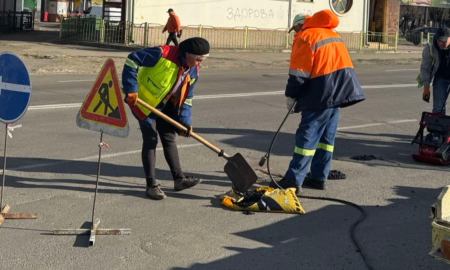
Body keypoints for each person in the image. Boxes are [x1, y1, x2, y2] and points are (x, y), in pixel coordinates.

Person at [270, 10, 365, 195]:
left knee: (307, 135)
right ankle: (319, 177)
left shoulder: (306, 37)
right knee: (325, 139)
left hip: (320, 92)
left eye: (295, 30)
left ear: (299, 25)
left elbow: (299, 73)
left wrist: (291, 96)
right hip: (339, 91)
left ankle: (293, 180)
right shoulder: (331, 34)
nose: (295, 34)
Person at [122, 37, 210, 200]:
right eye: (198, 60)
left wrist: (184, 122)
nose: (199, 64)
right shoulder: (162, 53)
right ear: (188, 53)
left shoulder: (194, 70)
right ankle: (151, 186)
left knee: (169, 138)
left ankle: (179, 180)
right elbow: (132, 60)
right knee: (151, 140)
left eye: (202, 61)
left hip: (168, 105)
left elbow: (187, 97)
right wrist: (131, 88)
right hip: (144, 103)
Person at [420, 27, 450, 115]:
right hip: (441, 78)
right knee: (438, 107)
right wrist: (426, 87)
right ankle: (438, 127)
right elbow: (425, 68)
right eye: (439, 40)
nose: (441, 42)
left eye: (444, 41)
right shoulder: (430, 48)